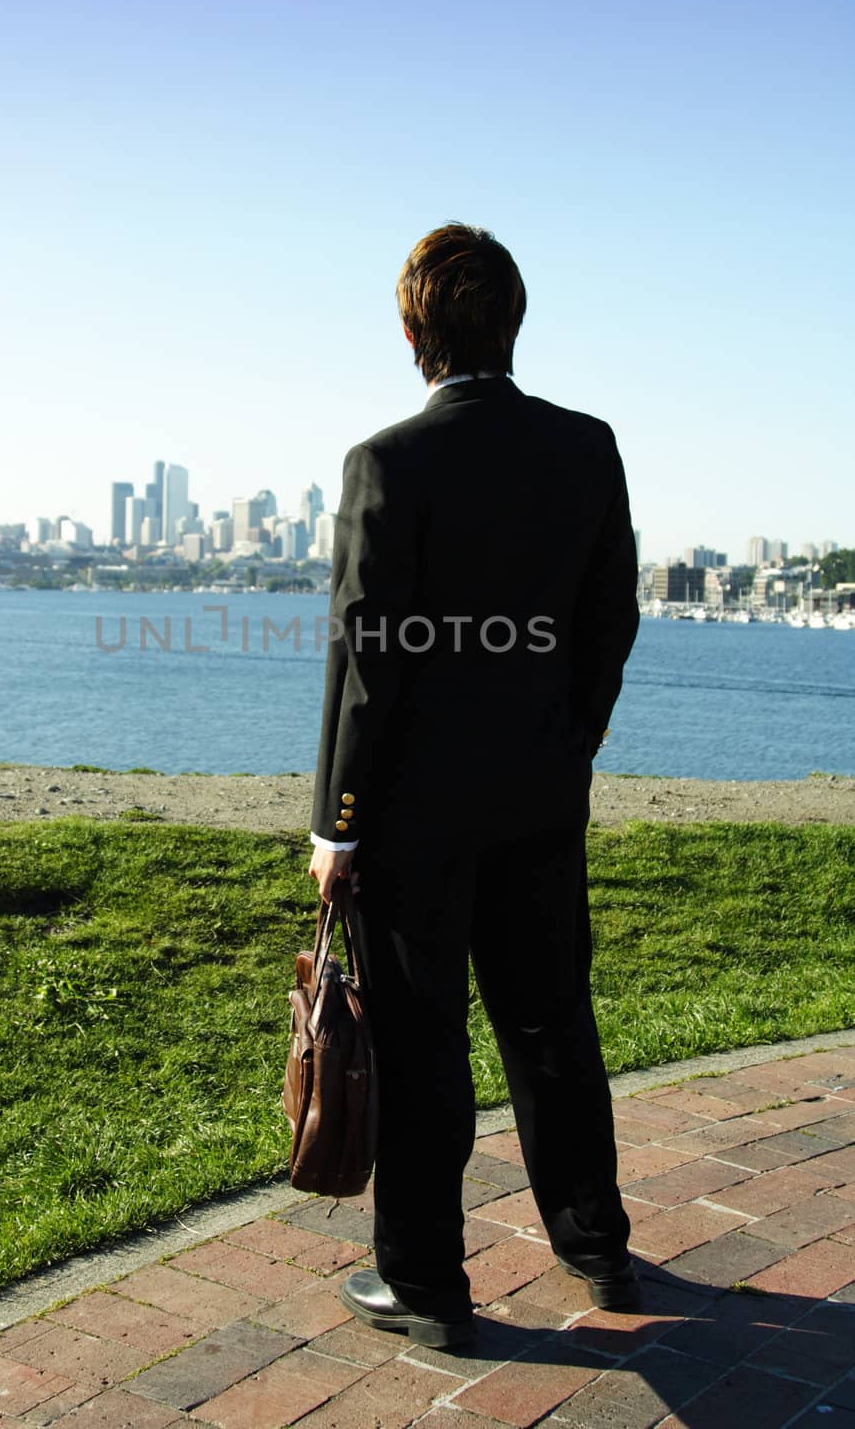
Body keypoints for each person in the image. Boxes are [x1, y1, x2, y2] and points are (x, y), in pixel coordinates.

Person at [307, 222, 641, 1351]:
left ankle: (423, 1283)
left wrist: (334, 824)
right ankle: (593, 1243)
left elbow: (367, 664)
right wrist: (565, 743)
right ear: (513, 320)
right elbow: (608, 624)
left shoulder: (384, 464)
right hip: (541, 794)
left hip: (411, 815)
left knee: (419, 1039)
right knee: (551, 1021)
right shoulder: (587, 447)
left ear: (411, 330)